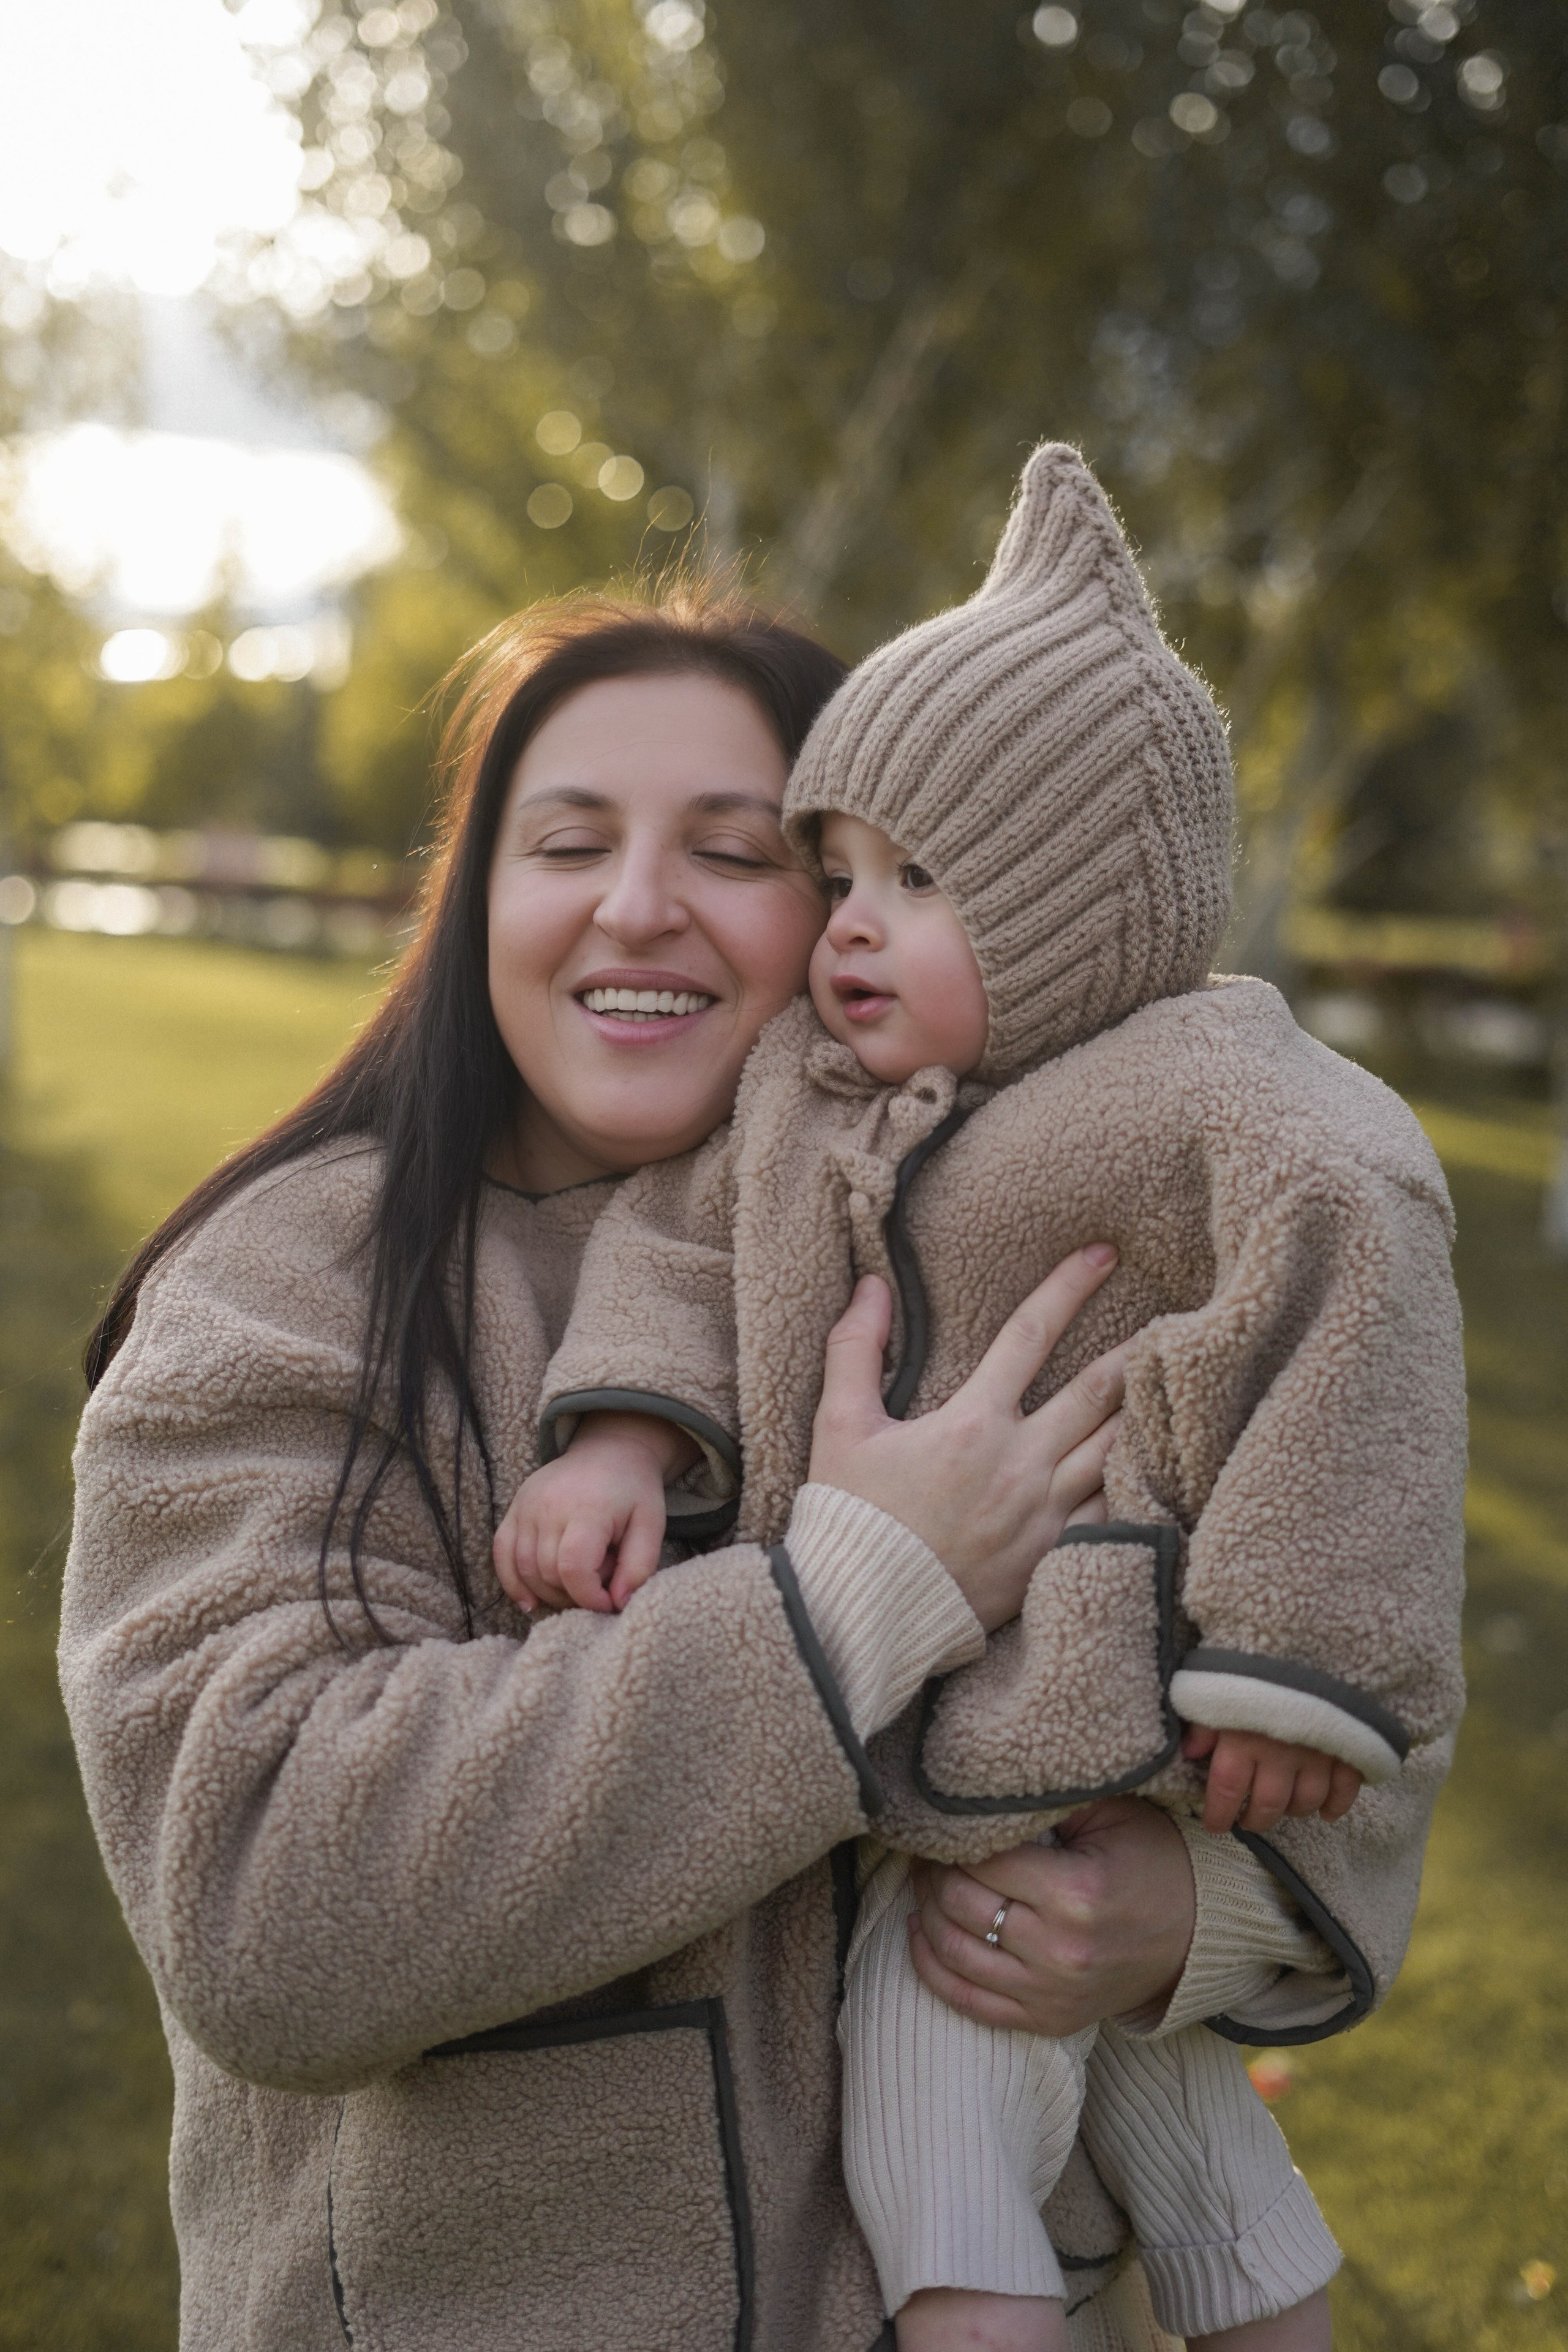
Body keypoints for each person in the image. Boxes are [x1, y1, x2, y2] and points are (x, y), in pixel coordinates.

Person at [59, 584, 1427, 2352]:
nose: (640, 905)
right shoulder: (282, 1290)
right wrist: (855, 1594)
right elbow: (261, 1905)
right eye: (568, 843)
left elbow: (1343, 1666)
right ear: (478, 895)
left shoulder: (1049, 1228)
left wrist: (1187, 1915)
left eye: (734, 849)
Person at [496, 456, 1466, 2352]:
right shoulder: (795, 1098)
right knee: (1183, 2156)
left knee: (941, 2114)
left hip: (1126, 1720)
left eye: (922, 881)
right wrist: (624, 1437)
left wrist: (1293, 1663)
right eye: (836, 870)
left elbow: (1353, 1330)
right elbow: (684, 1262)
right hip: (940, 1750)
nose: (851, 925)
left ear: (1081, 908)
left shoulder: (1228, 1102)